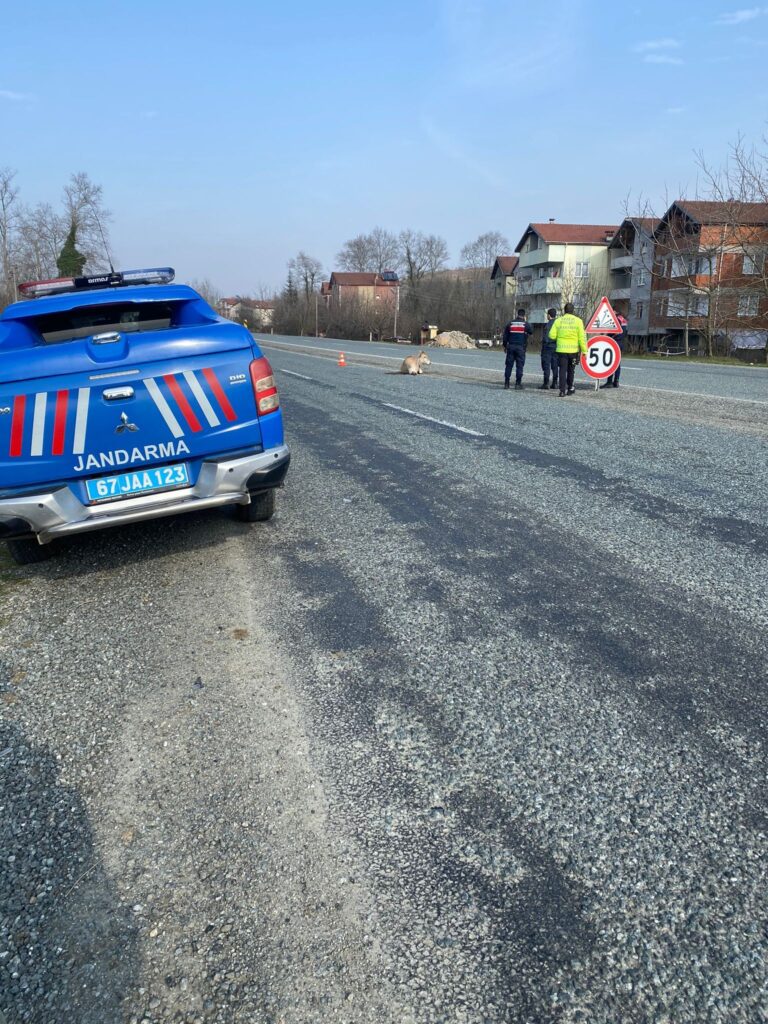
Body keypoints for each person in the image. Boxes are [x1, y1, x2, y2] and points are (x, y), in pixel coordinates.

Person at [548, 302, 587, 397]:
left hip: (561, 350)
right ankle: (570, 388)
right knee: (571, 370)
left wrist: (559, 337)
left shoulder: (558, 321)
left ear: (564, 310)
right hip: (573, 351)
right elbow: (582, 338)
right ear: (573, 311)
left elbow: (551, 335)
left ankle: (562, 391)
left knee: (562, 369)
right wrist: (584, 350)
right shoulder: (578, 321)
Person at [502, 308, 532, 389]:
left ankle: (506, 383)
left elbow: (505, 337)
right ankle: (518, 384)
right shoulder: (525, 324)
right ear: (524, 315)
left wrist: (505, 346)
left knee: (509, 365)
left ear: (517, 314)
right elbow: (531, 331)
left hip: (511, 347)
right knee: (519, 366)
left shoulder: (510, 323)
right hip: (520, 347)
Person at [601, 312, 628, 388]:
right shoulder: (623, 319)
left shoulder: (615, 319)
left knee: (611, 363)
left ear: (615, 311)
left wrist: (607, 334)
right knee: (617, 363)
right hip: (620, 343)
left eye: (612, 310)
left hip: (614, 342)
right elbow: (625, 332)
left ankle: (609, 382)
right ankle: (616, 381)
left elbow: (615, 332)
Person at [539, 307, 559, 390]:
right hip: (556, 347)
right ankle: (555, 383)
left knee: (546, 366)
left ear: (549, 315)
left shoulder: (548, 325)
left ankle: (546, 383)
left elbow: (546, 338)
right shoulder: (558, 324)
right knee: (555, 366)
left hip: (548, 348)